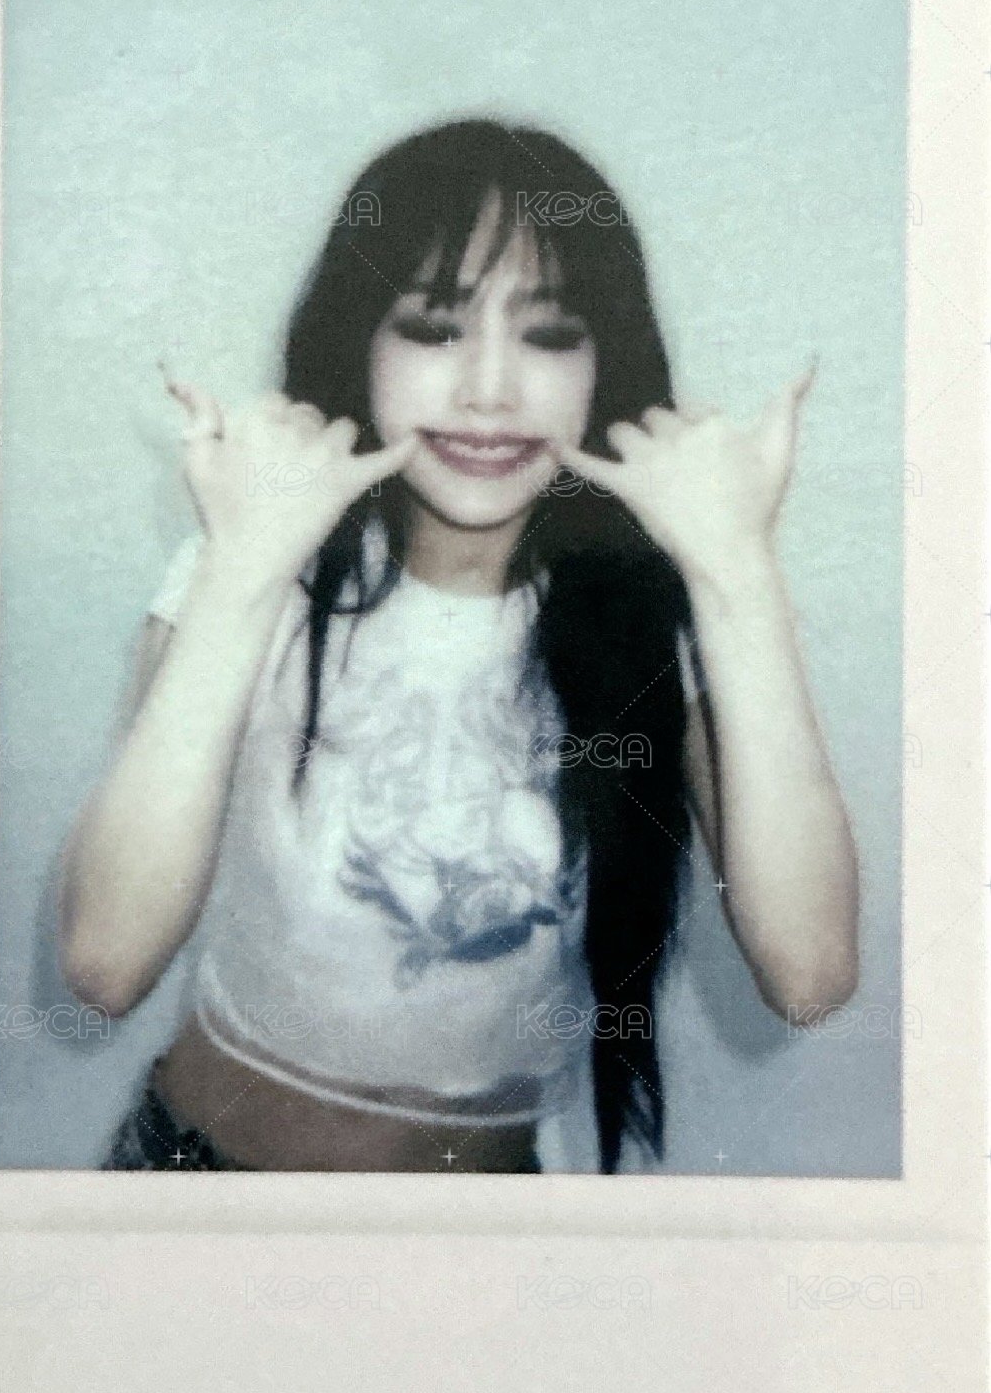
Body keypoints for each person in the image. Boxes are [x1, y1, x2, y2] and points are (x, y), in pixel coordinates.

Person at [58, 117, 860, 1175]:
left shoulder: (665, 614)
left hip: (483, 1231)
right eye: (434, 328)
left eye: (549, 334)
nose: (489, 389)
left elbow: (810, 975)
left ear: (603, 362)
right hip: (196, 1182)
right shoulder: (254, 567)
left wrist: (739, 571)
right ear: (362, 343)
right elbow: (105, 961)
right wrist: (246, 565)